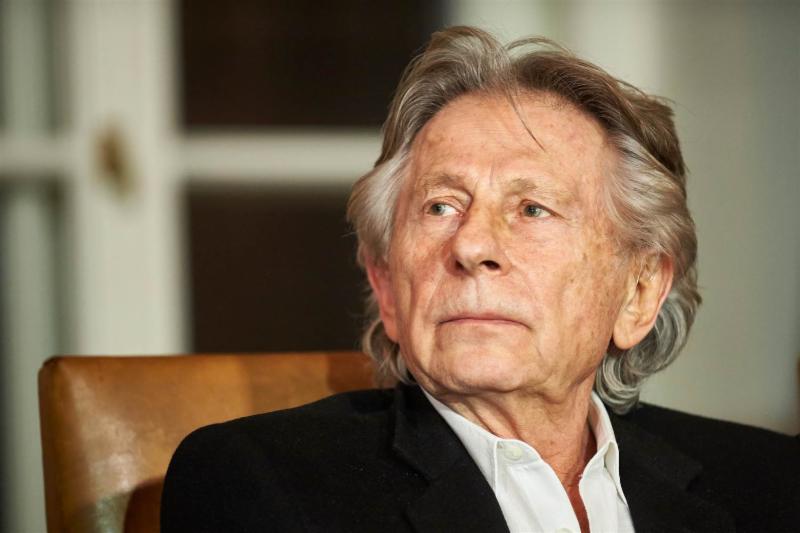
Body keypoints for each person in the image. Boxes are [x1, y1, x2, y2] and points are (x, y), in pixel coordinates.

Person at [161, 27, 799, 532]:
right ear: (386, 286)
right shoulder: (265, 486)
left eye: (532, 209)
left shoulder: (773, 483)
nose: (471, 246)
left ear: (638, 293)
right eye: (440, 207)